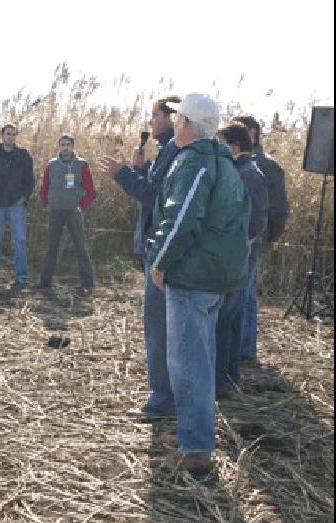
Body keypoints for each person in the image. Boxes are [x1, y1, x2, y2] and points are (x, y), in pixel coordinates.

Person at [146, 93, 249, 475]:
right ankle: (194, 434)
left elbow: (181, 218)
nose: (174, 125)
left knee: (187, 362)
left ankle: (197, 448)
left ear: (188, 124)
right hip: (216, 279)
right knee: (200, 359)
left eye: (179, 120)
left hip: (192, 278)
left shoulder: (195, 162)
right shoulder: (224, 162)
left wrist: (160, 262)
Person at [100, 95, 181, 418]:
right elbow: (155, 187)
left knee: (158, 325)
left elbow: (152, 196)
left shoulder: (175, 151)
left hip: (159, 248)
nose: (151, 122)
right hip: (156, 244)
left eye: (155, 116)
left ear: (172, 119)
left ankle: (163, 396)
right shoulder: (168, 151)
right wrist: (143, 169)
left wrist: (122, 174)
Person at [214, 123, 269, 397]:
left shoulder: (248, 174)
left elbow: (257, 222)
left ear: (234, 147)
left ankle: (223, 381)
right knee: (230, 318)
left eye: (221, 143)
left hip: (240, 258)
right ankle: (228, 377)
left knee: (226, 319)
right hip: (237, 256)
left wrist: (235, 246)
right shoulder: (242, 170)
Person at [233, 115, 290, 361]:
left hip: (256, 239)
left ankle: (245, 350)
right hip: (241, 239)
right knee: (243, 292)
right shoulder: (235, 163)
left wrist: (271, 237)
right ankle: (242, 349)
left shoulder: (267, 166)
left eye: (245, 131)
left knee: (245, 294)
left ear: (254, 134)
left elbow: (279, 209)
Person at [0, 123, 35, 287]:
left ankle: (21, 276)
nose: (11, 137)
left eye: (13, 134)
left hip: (16, 205)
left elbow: (30, 180)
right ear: (2, 135)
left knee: (19, 241)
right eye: (8, 134)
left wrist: (24, 197)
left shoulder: (24, 155)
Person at [38, 134, 95, 292]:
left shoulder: (81, 164)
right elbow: (44, 187)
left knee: (80, 247)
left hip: (73, 211)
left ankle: (87, 283)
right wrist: (46, 203)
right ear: (59, 146)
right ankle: (45, 283)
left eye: (68, 145)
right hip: (55, 211)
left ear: (73, 146)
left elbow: (90, 190)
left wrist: (82, 206)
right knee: (51, 247)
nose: (65, 148)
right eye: (62, 145)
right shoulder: (52, 165)